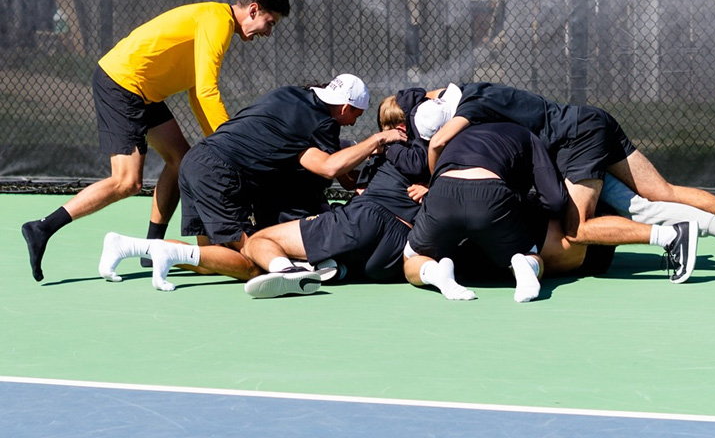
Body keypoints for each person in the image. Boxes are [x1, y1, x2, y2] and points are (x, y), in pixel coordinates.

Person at [21, 0, 291, 282]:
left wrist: (217, 141)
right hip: (122, 83)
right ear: (253, 10)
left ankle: (152, 248)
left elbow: (195, 92)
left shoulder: (218, 23)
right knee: (127, 181)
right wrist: (231, 145)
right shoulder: (218, 21)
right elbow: (206, 91)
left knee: (181, 159)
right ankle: (42, 227)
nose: (268, 33)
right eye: (269, 23)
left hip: (143, 90)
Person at [415, 82, 715, 283]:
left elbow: (438, 141)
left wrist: (434, 181)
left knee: (578, 228)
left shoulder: (473, 106)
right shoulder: (479, 91)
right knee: (658, 194)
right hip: (592, 123)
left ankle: (675, 236)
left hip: (577, 141)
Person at [98, 74, 407, 292]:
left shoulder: (291, 95)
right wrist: (377, 139)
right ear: (345, 108)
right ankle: (292, 273)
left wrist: (361, 180)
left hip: (197, 161)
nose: (353, 122)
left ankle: (137, 247)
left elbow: (328, 164)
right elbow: (327, 167)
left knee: (213, 262)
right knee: (252, 260)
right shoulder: (323, 123)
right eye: (356, 114)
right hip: (220, 175)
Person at [238, 93, 431, 298]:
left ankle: (289, 272)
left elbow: (334, 171)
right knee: (341, 253)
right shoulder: (434, 152)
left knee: (258, 241)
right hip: (396, 249)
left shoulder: (391, 146)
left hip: (365, 220)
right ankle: (328, 269)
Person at [403, 122, 570, 303]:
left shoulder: (459, 131)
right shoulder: (528, 134)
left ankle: (436, 273)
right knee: (531, 255)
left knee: (412, 257)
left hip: (443, 192)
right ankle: (525, 265)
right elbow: (555, 201)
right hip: (491, 194)